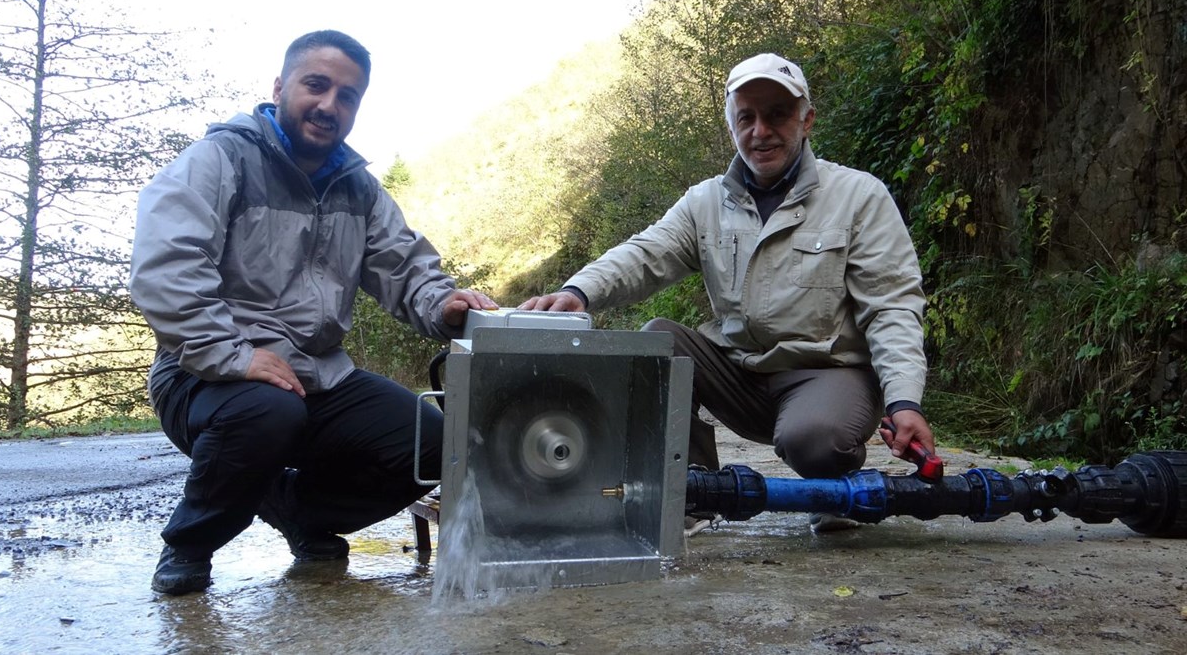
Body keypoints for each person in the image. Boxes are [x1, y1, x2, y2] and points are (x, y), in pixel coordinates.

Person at [130, 30, 496, 595]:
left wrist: (444, 305)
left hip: (318, 375)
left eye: (347, 96)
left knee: (434, 444)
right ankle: (190, 544)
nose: (330, 105)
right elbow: (166, 266)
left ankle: (297, 509)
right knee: (267, 411)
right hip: (201, 370)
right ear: (281, 86)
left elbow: (405, 268)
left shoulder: (361, 190)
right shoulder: (220, 158)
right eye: (316, 85)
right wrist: (232, 355)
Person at [521, 53, 935, 534]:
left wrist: (904, 402)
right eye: (747, 117)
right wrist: (579, 292)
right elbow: (643, 254)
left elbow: (892, 306)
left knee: (814, 439)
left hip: (826, 375)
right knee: (658, 339)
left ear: (807, 121)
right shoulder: (704, 202)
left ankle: (835, 486)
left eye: (778, 114)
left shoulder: (860, 196)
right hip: (739, 372)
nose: (761, 130)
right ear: (732, 126)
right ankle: (694, 492)